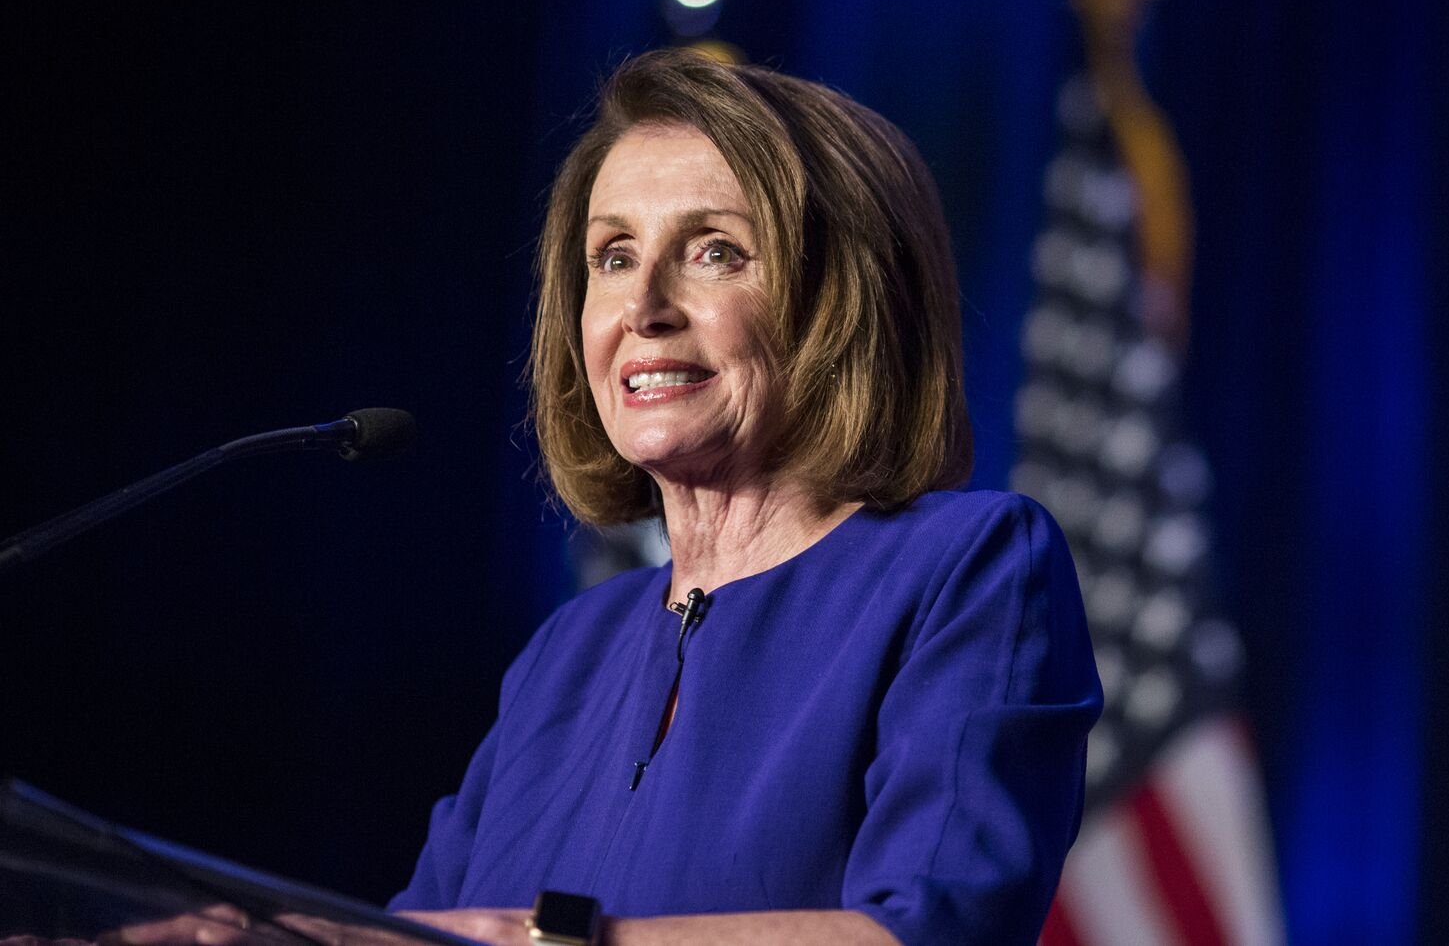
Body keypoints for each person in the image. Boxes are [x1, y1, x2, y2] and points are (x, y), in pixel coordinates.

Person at [391, 49, 1103, 946]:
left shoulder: (968, 567)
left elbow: (930, 931)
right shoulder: (565, 653)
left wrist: (561, 941)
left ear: (843, 301)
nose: (642, 305)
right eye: (612, 256)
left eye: (714, 251)